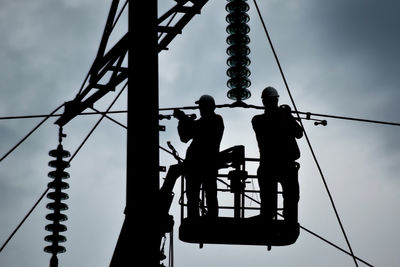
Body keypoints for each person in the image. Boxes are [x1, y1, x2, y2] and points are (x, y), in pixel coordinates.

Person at [251, 87, 303, 223]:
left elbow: (299, 133)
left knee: (289, 196)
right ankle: (275, 217)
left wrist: (288, 116)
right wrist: (286, 115)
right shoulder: (259, 120)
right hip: (274, 165)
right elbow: (294, 132)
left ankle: (284, 218)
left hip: (276, 165)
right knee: (278, 196)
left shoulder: (281, 118)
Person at [174, 95, 224, 218]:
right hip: (201, 166)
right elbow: (185, 137)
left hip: (200, 165)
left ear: (208, 107)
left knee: (205, 194)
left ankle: (205, 218)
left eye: (201, 106)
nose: (199, 109)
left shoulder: (215, 120)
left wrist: (183, 119)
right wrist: (183, 120)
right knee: (196, 195)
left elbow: (192, 131)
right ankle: (200, 218)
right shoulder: (211, 121)